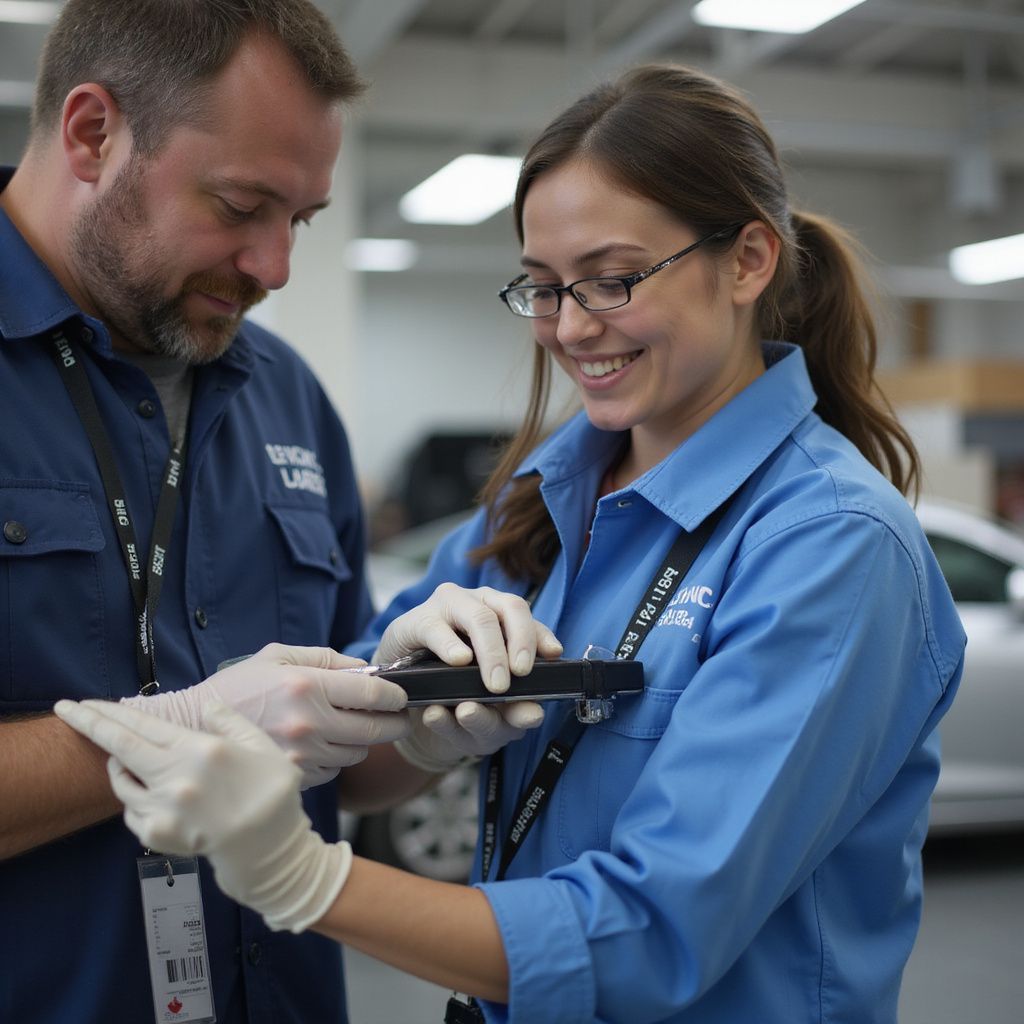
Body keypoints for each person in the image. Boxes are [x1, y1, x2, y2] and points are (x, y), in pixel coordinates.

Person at [55, 62, 967, 1024]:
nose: (571, 328)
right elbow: (363, 761)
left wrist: (304, 879)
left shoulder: (831, 546)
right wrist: (401, 709)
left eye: (611, 281)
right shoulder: (532, 511)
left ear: (746, 261)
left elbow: (652, 935)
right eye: (541, 287)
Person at [0, 3, 557, 1022]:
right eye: (240, 204)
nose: (275, 268)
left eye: (298, 221)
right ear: (92, 133)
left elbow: (329, 773)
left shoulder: (283, 396)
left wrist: (418, 721)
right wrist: (177, 726)